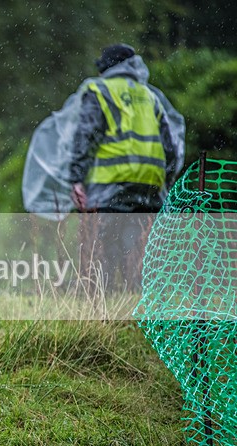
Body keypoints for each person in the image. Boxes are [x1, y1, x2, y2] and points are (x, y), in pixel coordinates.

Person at [68, 43, 184, 290]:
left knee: (104, 248)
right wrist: (167, 180)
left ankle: (103, 309)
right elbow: (171, 146)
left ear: (107, 68)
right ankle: (137, 308)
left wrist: (76, 179)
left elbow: (85, 136)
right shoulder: (149, 96)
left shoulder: (100, 90)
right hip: (150, 184)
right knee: (137, 250)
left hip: (112, 182)